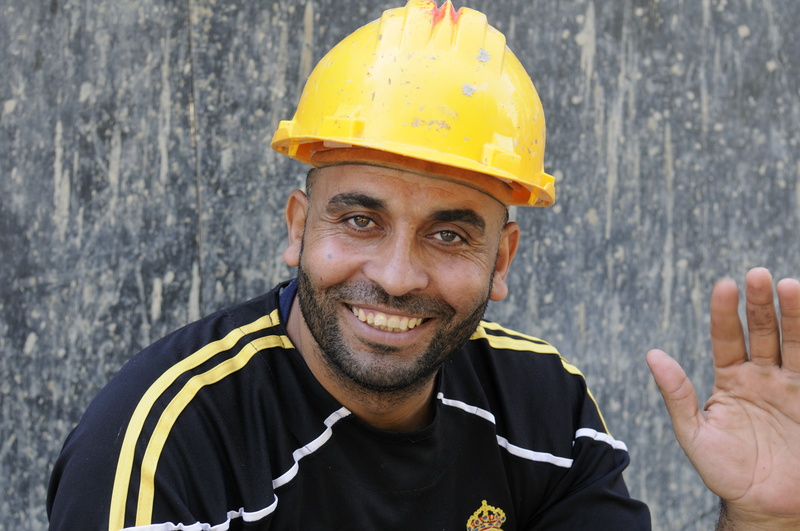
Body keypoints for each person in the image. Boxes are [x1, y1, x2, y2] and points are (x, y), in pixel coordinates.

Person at [47, 1, 800, 529]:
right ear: (298, 227)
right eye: (360, 218)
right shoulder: (164, 442)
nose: (400, 274)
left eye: (448, 235)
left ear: (501, 259)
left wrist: (763, 520)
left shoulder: (543, 411)